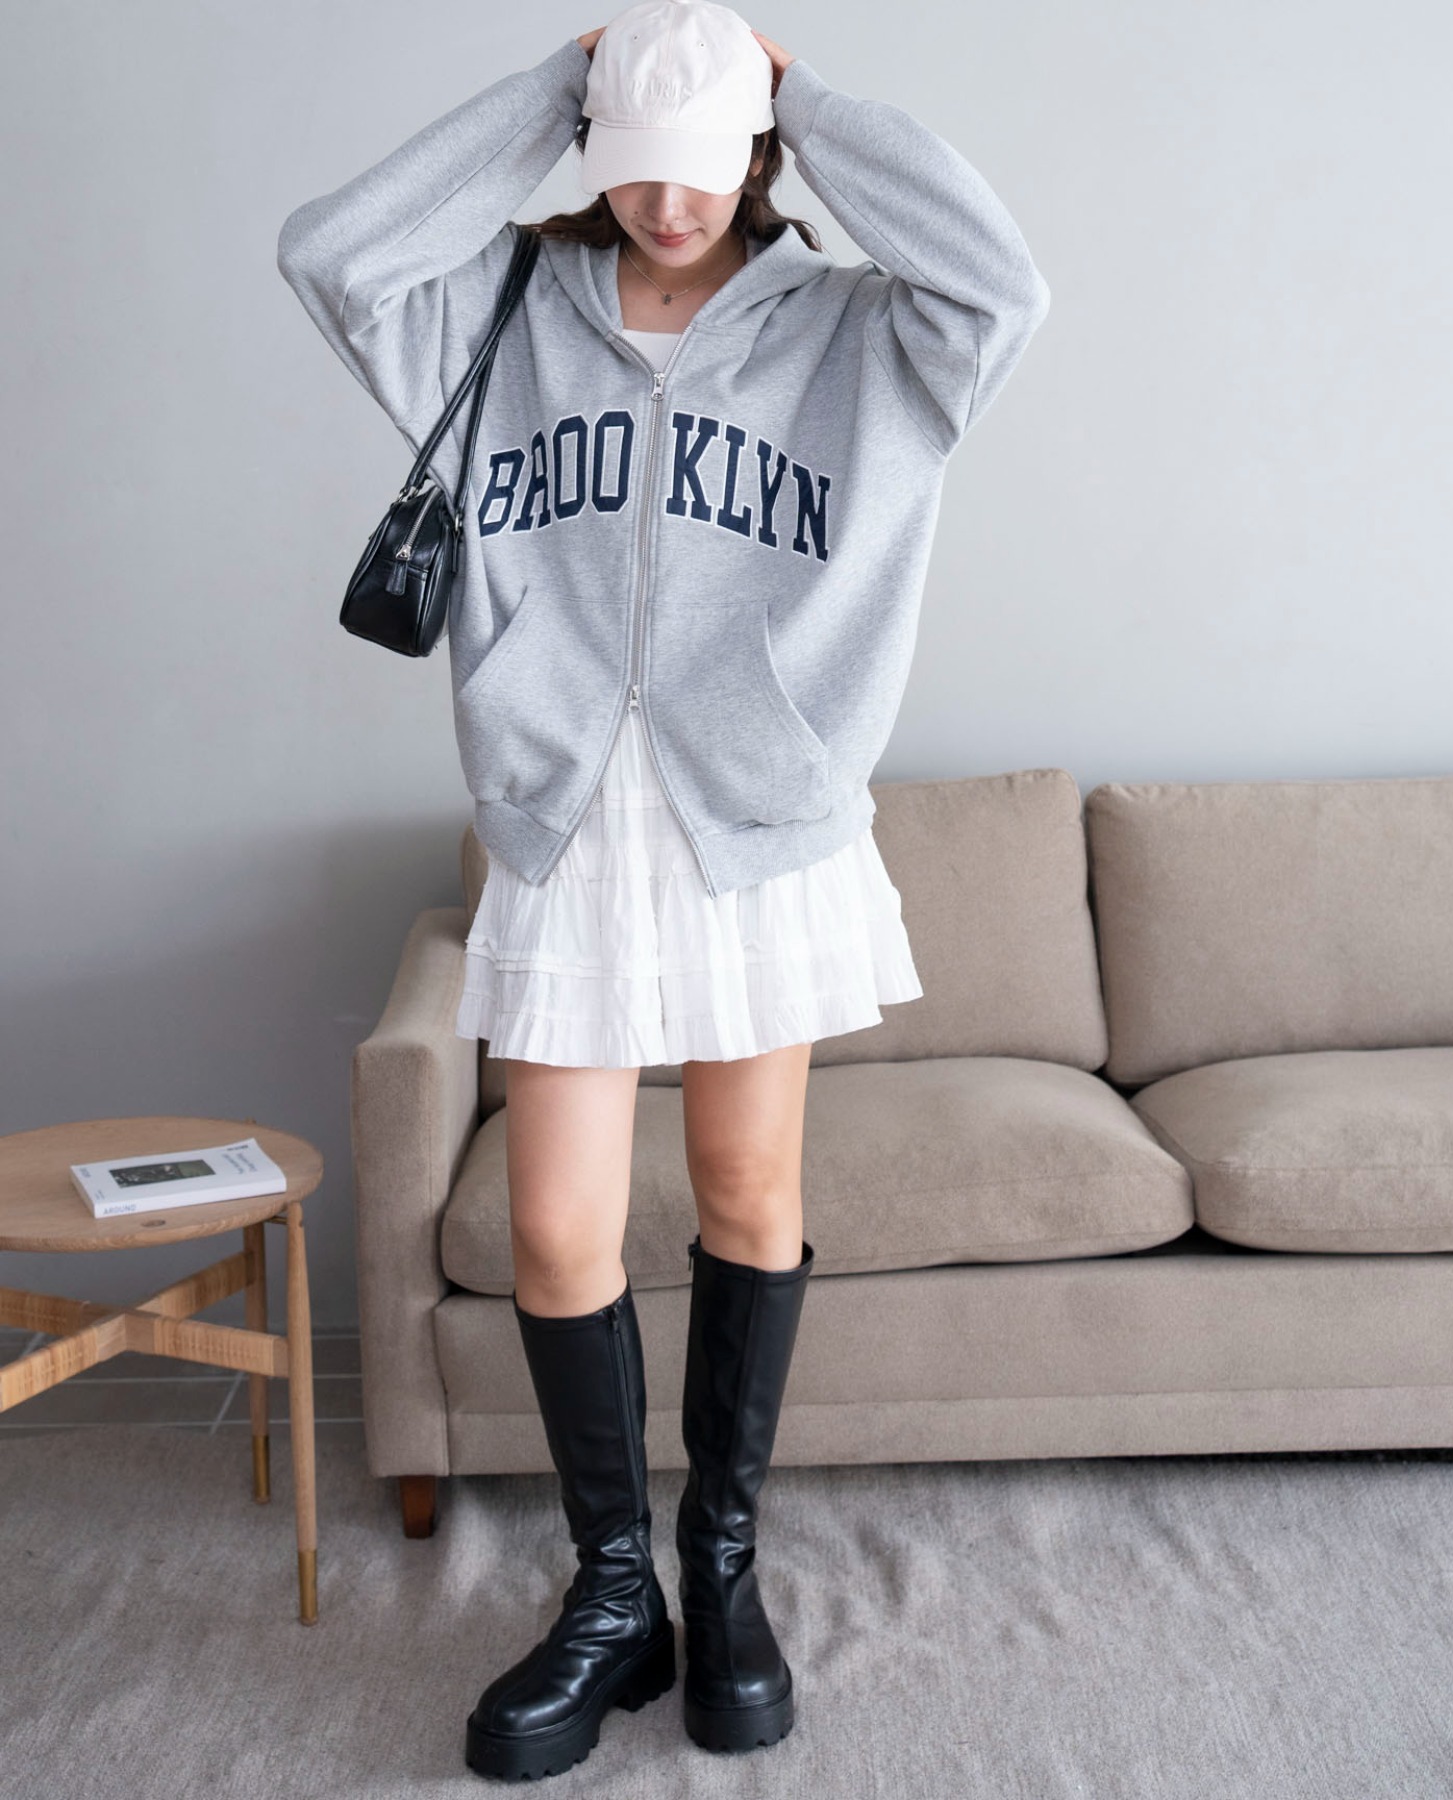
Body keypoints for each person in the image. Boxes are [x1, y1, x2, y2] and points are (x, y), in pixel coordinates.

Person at [277, 0, 1048, 1779]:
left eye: (699, 170)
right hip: (569, 825)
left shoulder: (864, 333)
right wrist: (553, 94)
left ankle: (722, 1571)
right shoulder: (497, 310)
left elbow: (1006, 283)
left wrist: (803, 96)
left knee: (746, 1193)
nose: (669, 206)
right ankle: (614, 1594)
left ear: (753, 158)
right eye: (634, 167)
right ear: (594, 152)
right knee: (557, 1230)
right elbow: (331, 253)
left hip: (756, 820)